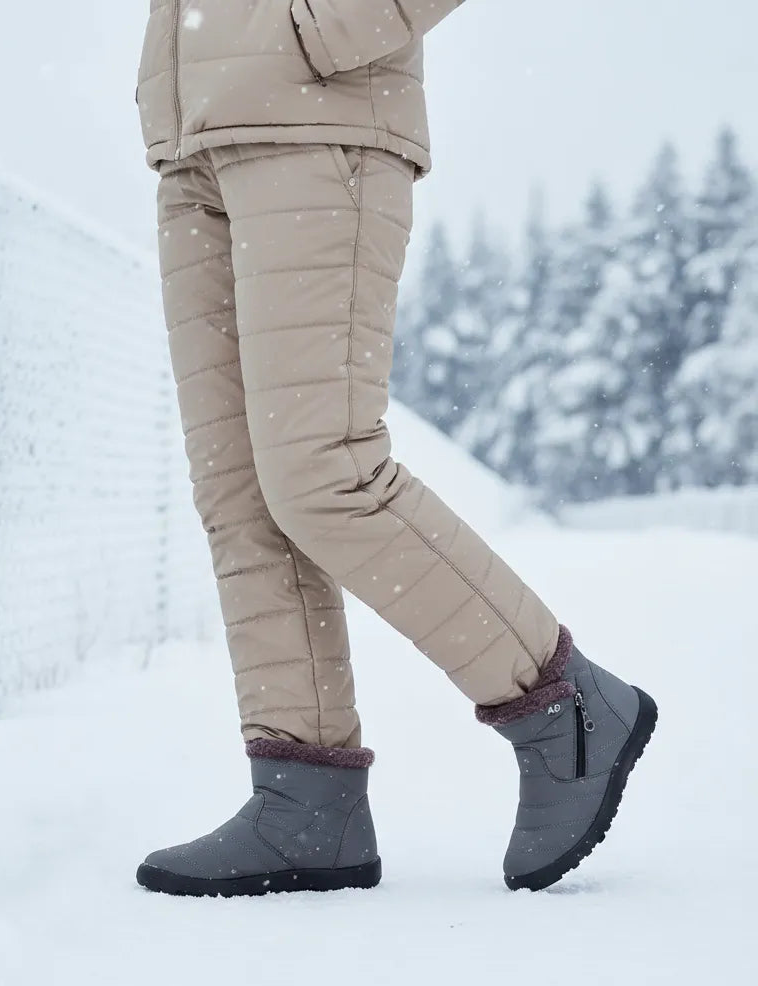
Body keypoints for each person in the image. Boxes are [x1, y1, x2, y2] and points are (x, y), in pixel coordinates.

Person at [133, 0, 657, 898]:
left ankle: (564, 707)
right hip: (191, 142)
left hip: (313, 116)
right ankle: (305, 802)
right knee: (240, 494)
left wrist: (322, 32)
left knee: (325, 473)